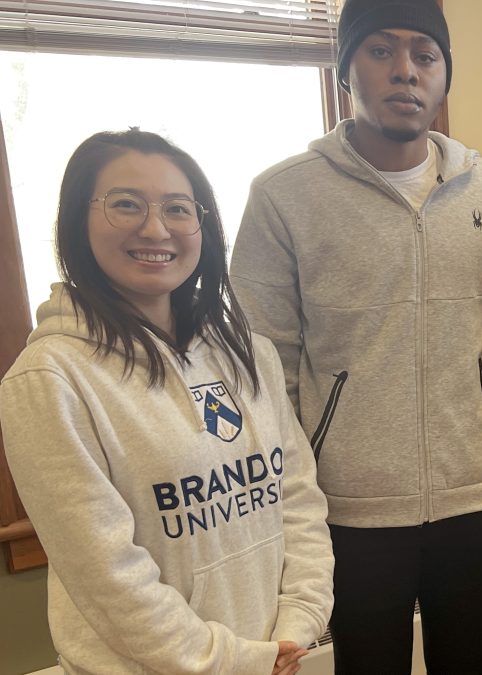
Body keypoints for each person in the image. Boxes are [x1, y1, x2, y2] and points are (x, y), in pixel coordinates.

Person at [228, 0, 482, 672]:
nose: (405, 71)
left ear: (444, 74)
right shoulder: (283, 196)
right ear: (346, 70)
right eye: (381, 51)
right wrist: (297, 495)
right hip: (349, 509)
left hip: (476, 498)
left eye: (424, 54)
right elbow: (264, 370)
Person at [0, 129, 333, 675]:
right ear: (77, 221)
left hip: (275, 658)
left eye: (178, 208)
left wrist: (297, 624)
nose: (155, 228)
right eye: (125, 204)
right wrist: (229, 660)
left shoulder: (247, 351)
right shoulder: (49, 379)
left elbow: (295, 495)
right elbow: (108, 575)